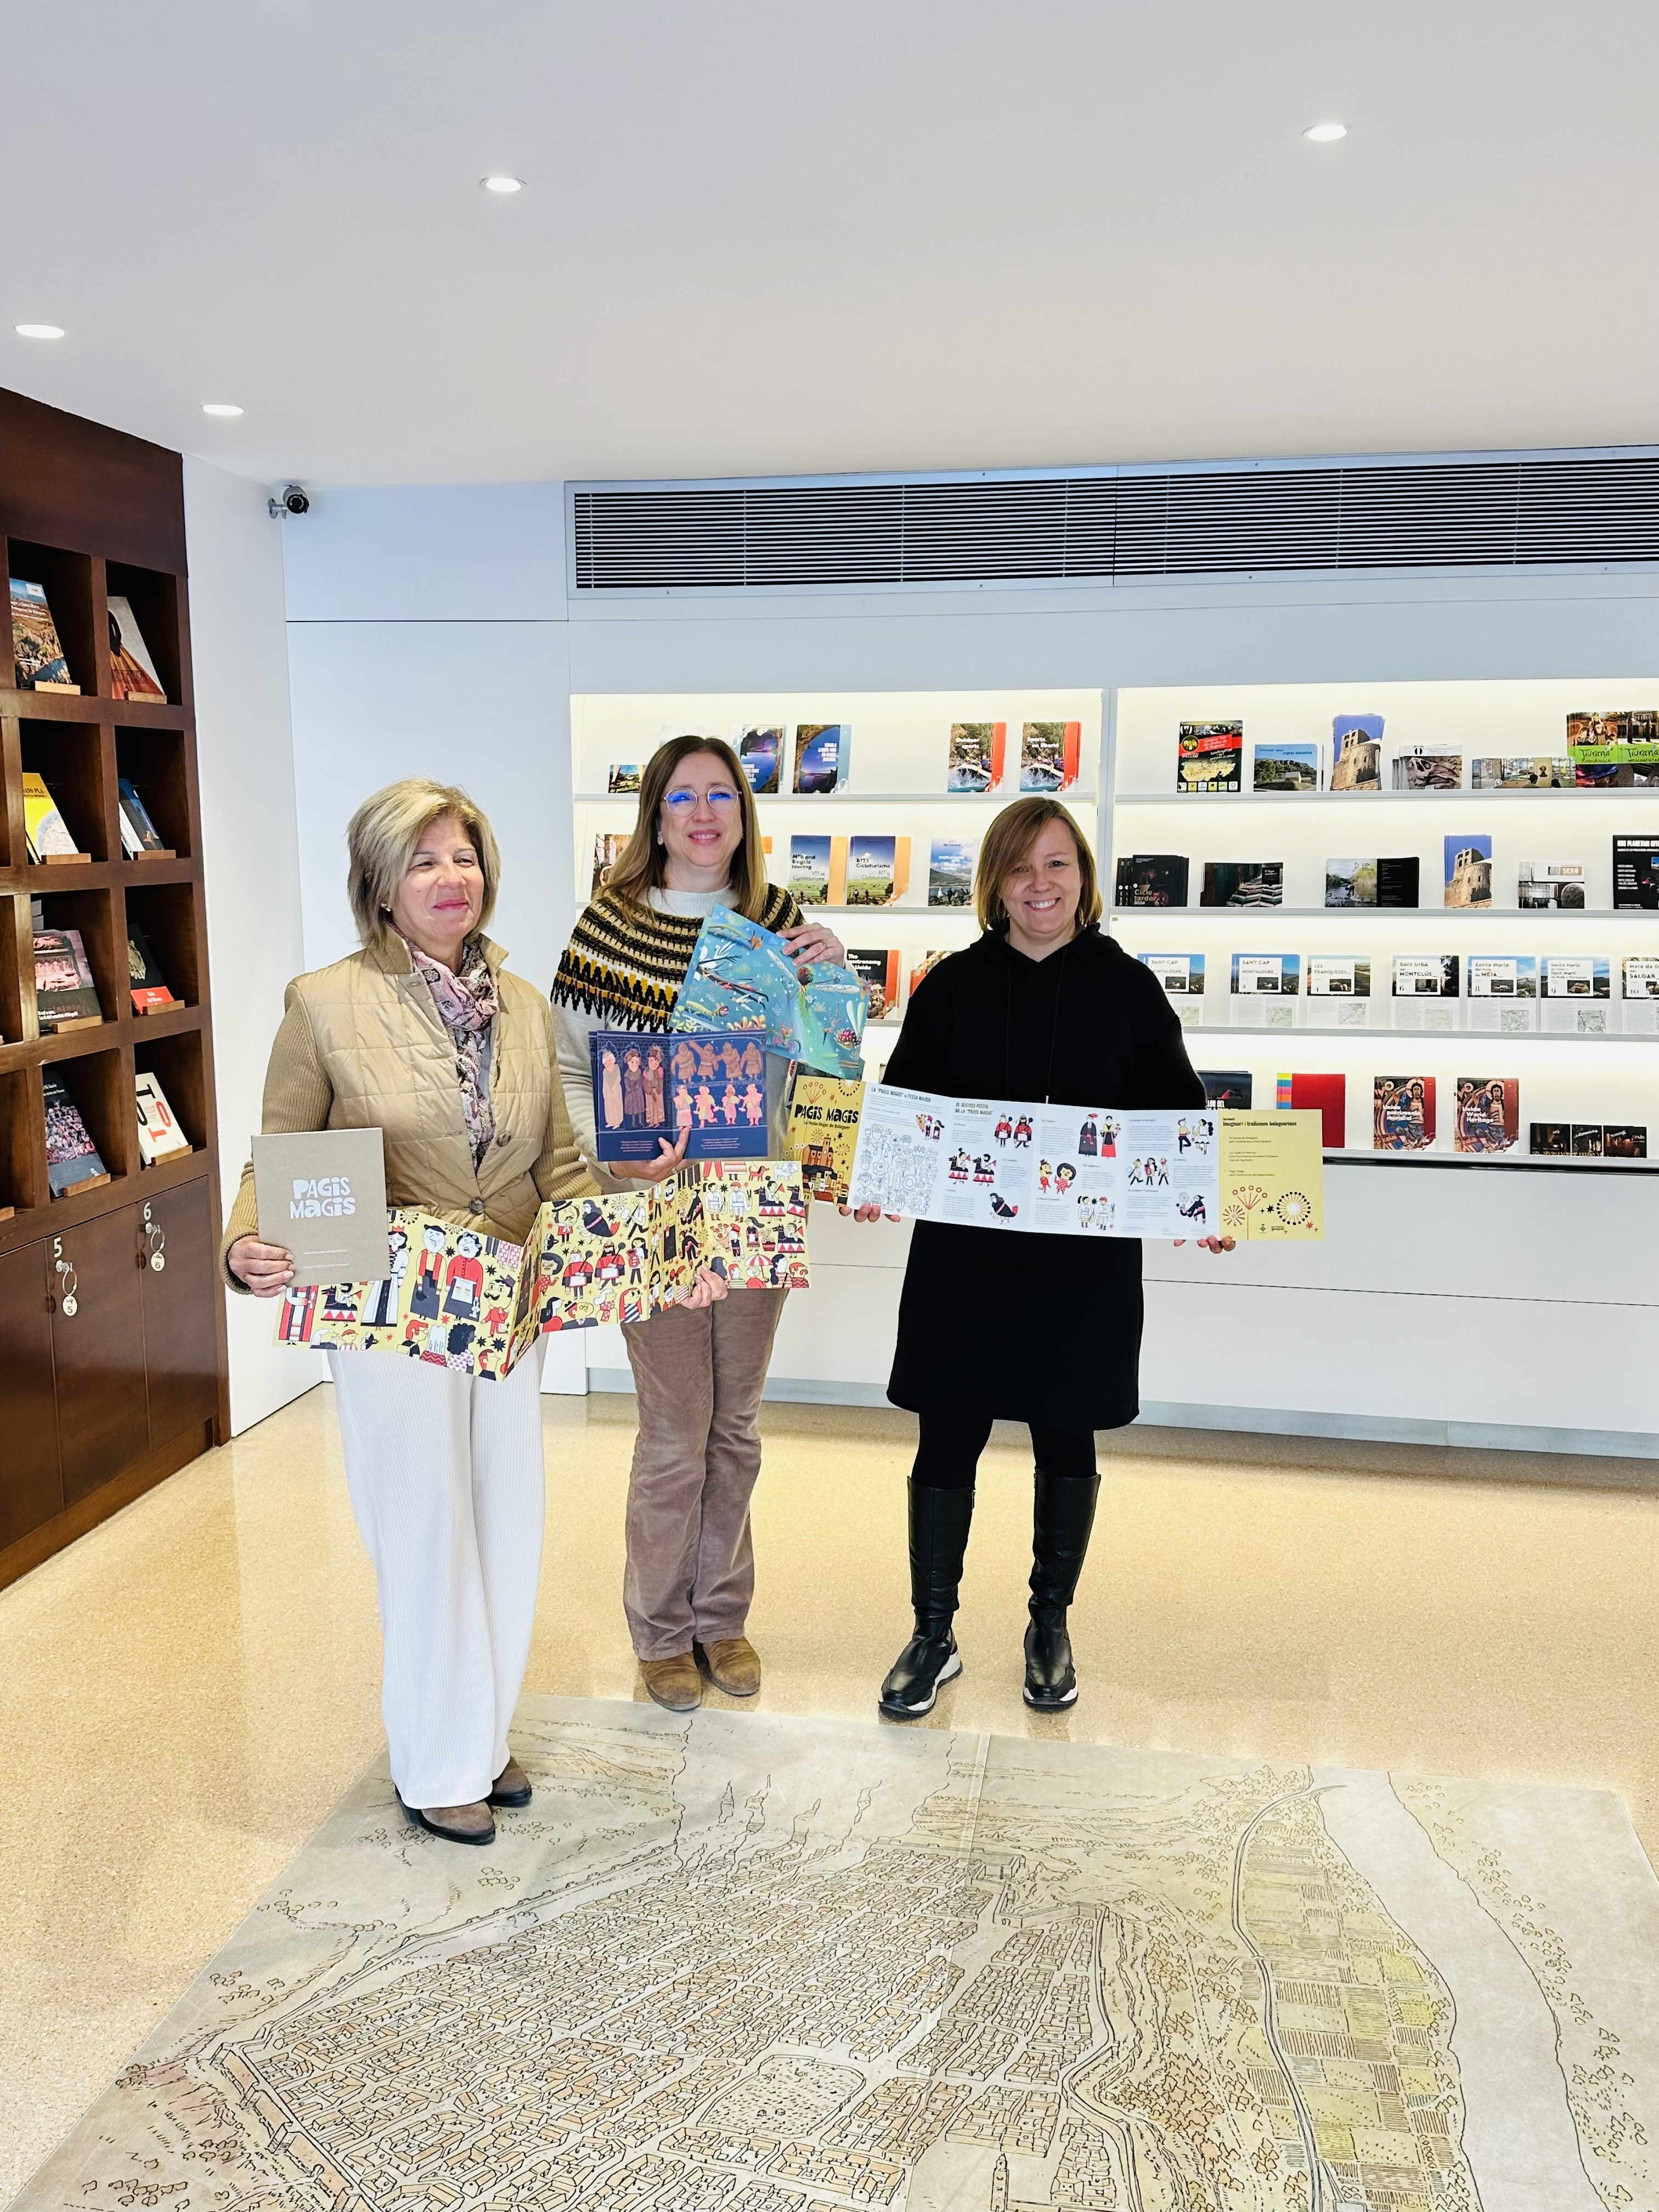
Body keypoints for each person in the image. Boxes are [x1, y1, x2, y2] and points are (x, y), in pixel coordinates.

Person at [221, 779, 725, 1848]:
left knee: (505, 1518)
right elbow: (284, 1149)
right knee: (424, 1529)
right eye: (425, 862)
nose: (453, 879)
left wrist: (634, 1187)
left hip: (508, 1297)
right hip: (390, 1296)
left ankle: (480, 1739)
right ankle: (435, 1760)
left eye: (466, 858)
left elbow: (558, 1168)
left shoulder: (527, 1006)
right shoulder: (325, 1002)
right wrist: (247, 1240)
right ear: (379, 886)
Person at [850, 795, 1233, 1720]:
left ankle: (1048, 1626)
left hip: (1081, 1271)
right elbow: (904, 1107)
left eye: (1058, 864)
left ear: (1084, 879)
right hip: (964, 1265)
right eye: (1021, 867)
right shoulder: (951, 985)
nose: (1039, 884)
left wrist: (1204, 1197)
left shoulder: (1130, 989)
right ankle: (932, 1632)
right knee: (947, 1438)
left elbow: (1176, 1114)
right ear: (995, 881)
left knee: (1069, 1436)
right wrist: (880, 1179)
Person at [551, 735, 847, 1713]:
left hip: (758, 1201)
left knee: (739, 1426)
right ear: (656, 816)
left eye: (724, 795)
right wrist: (615, 1154)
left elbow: (829, 1061)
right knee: (677, 1426)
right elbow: (568, 1076)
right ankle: (659, 1631)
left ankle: (723, 1615)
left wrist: (837, 974)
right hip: (652, 1208)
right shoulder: (606, 930)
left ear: (746, 814)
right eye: (685, 797)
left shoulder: (779, 923)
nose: (706, 814)